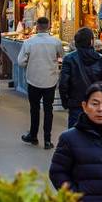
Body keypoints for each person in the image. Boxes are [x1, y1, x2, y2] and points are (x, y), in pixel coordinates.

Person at [18, 17, 64, 149]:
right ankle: (47, 140)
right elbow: (62, 56)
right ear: (48, 26)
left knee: (34, 109)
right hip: (50, 80)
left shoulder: (29, 42)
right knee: (48, 110)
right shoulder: (56, 42)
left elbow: (20, 62)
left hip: (33, 79)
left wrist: (30, 63)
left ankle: (33, 136)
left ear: (37, 26)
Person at [60, 27, 102, 128]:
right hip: (96, 104)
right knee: (95, 133)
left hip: (76, 103)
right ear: (91, 41)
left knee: (75, 133)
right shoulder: (100, 59)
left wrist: (66, 102)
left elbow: (63, 83)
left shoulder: (69, 59)